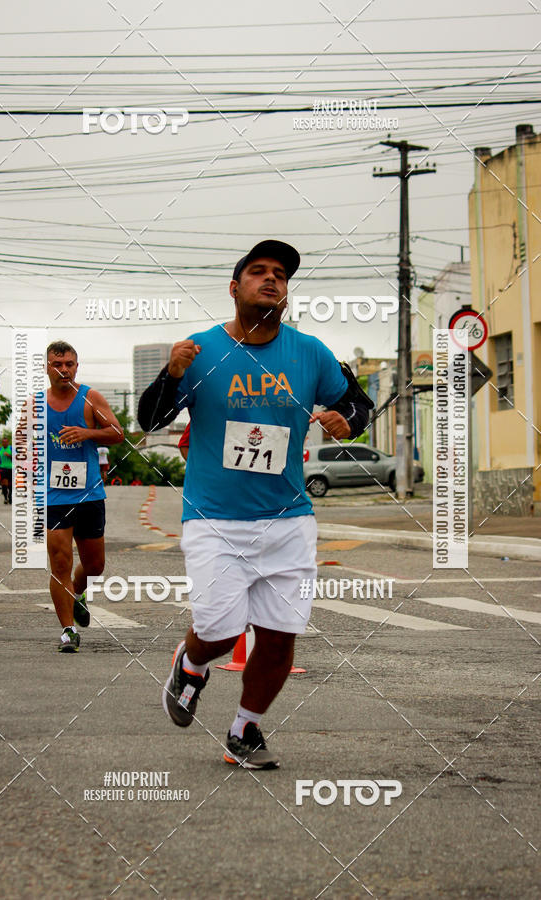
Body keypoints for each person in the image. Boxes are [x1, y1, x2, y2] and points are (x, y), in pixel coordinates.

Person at [138, 239, 371, 769]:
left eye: (281, 276)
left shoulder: (310, 352)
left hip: (288, 521)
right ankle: (191, 664)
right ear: (234, 287)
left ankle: (245, 729)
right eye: (259, 272)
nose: (272, 280)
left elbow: (358, 402)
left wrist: (348, 420)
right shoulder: (199, 351)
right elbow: (150, 421)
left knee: (279, 637)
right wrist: (171, 374)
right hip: (214, 519)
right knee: (220, 633)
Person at [44, 341, 124, 652]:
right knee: (60, 562)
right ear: (47, 367)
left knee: (95, 566)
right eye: (57, 364)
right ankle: (68, 631)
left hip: (90, 494)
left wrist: (87, 433)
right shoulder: (37, 404)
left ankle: (79, 592)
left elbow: (118, 434)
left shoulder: (90, 398)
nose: (63, 369)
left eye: (69, 364)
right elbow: (26, 446)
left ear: (76, 366)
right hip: (54, 496)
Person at [0, 436, 13, 505]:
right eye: (3, 442)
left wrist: (9, 455)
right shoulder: (0, 450)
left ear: (8, 442)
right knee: (4, 483)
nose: (4, 443)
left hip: (11, 468)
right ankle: (5, 497)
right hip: (3, 468)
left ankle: (10, 496)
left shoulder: (11, 448)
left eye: (6, 442)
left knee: (10, 485)